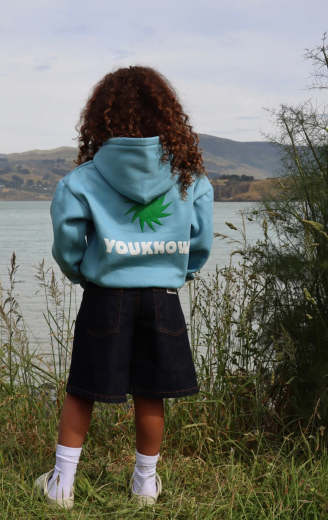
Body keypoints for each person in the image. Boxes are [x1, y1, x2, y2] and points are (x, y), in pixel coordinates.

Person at [34, 65, 214, 510]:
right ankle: (145, 486)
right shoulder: (189, 177)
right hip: (163, 298)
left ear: (101, 117)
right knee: (151, 392)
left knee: (83, 388)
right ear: (167, 115)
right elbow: (201, 242)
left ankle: (61, 485)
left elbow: (67, 242)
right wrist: (179, 273)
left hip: (105, 296)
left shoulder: (83, 179)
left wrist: (83, 273)